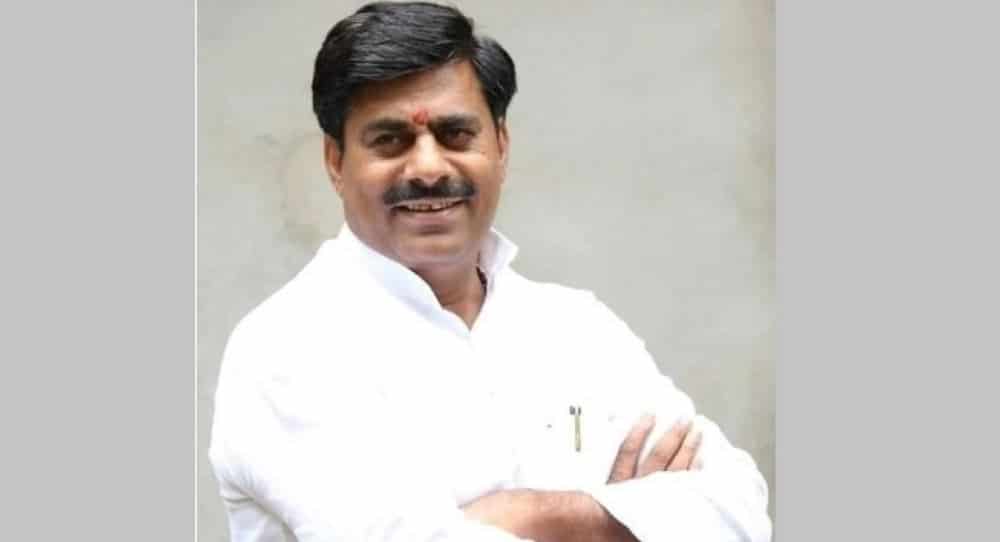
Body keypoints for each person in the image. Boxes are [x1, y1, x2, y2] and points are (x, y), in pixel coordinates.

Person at [209, 2, 771, 541]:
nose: (428, 168)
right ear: (336, 162)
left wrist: (534, 513)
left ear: (501, 145)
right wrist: (630, 520)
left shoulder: (579, 329)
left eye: (455, 134)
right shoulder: (290, 348)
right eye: (390, 140)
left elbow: (741, 511)